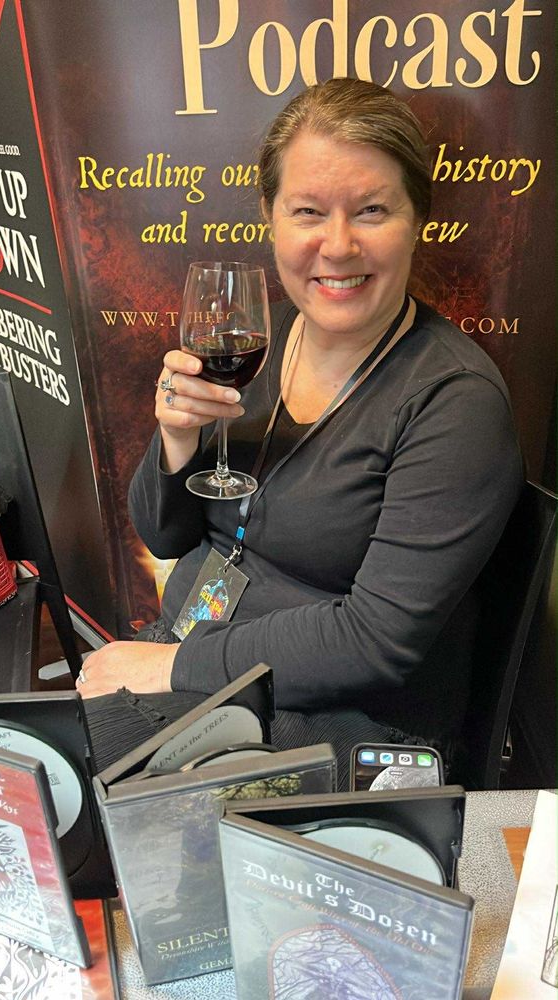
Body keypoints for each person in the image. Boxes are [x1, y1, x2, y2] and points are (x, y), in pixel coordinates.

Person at [77, 78, 523, 788]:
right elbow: (165, 538)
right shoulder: (262, 334)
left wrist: (172, 665)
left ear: (417, 220)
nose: (337, 246)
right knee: (41, 768)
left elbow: (376, 641)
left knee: (74, 799)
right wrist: (175, 441)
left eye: (372, 210)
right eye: (308, 211)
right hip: (205, 667)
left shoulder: (452, 403)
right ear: (270, 216)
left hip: (345, 724)